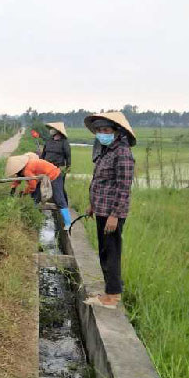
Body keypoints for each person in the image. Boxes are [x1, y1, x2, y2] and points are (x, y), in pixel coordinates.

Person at [82, 112, 136, 310]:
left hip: (112, 213)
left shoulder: (122, 152)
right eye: (99, 130)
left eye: (106, 130)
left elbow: (123, 187)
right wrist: (92, 205)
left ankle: (112, 296)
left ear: (116, 131)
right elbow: (100, 181)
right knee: (105, 252)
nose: (101, 133)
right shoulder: (106, 150)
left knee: (111, 252)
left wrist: (114, 215)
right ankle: (111, 290)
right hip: (102, 209)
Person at [6, 153, 72, 229]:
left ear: (18, 169)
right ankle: (32, 216)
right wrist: (13, 187)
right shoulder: (24, 167)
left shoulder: (27, 170)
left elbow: (32, 186)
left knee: (59, 199)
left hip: (54, 175)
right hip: (43, 178)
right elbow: (18, 178)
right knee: (34, 197)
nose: (16, 173)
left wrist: (24, 192)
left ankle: (68, 223)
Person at [40, 122, 72, 202]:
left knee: (59, 187)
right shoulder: (49, 140)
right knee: (46, 185)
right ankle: (50, 201)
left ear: (58, 131)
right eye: (51, 129)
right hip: (47, 167)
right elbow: (44, 153)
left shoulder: (64, 142)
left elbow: (68, 155)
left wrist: (68, 166)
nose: (51, 130)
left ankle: (64, 204)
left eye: (53, 129)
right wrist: (41, 163)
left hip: (58, 168)